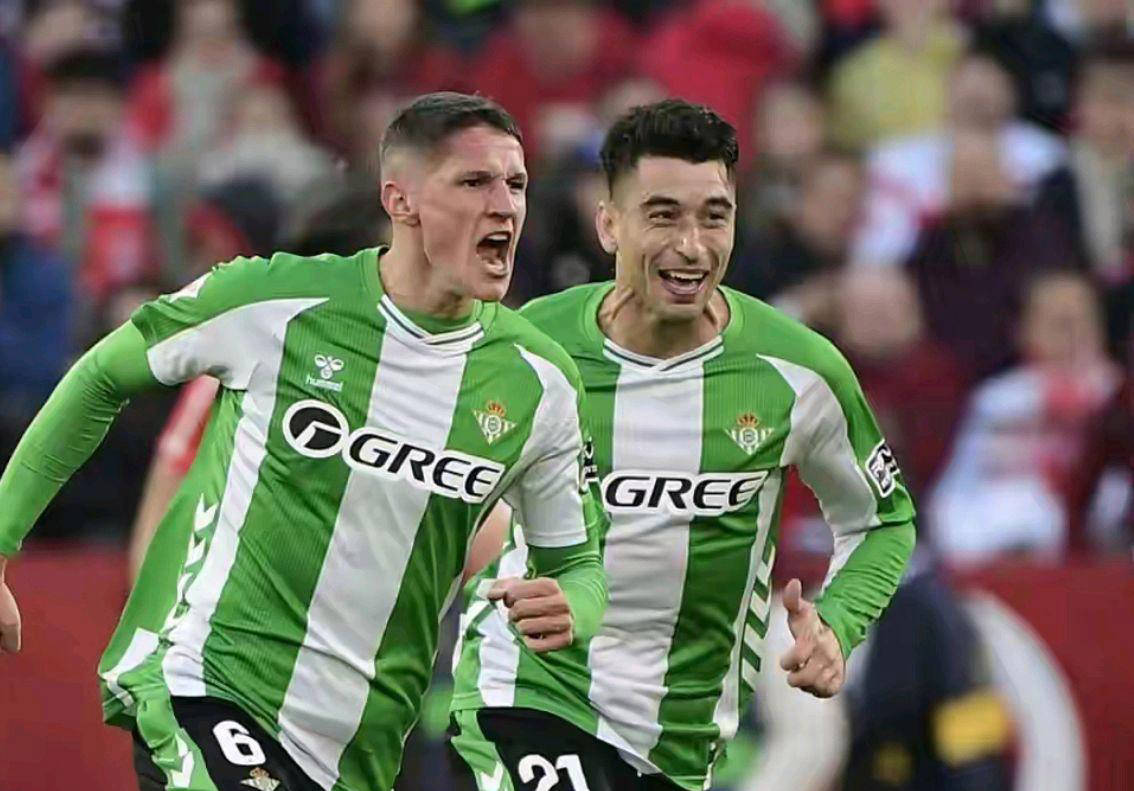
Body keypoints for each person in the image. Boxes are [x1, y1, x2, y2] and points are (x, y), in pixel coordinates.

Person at [0, 92, 608, 791]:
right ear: (401, 200)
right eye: (475, 182)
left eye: (517, 184)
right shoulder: (275, 302)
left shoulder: (539, 382)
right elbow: (103, 375)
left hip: (360, 742)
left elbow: (577, 565)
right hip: (210, 683)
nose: (505, 206)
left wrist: (574, 606)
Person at [448, 100, 916, 791]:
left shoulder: (797, 372)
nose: (692, 246)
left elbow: (882, 520)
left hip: (681, 738)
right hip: (528, 691)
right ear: (610, 224)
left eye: (714, 216)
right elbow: (429, 490)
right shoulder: (526, 349)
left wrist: (839, 624)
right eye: (663, 216)